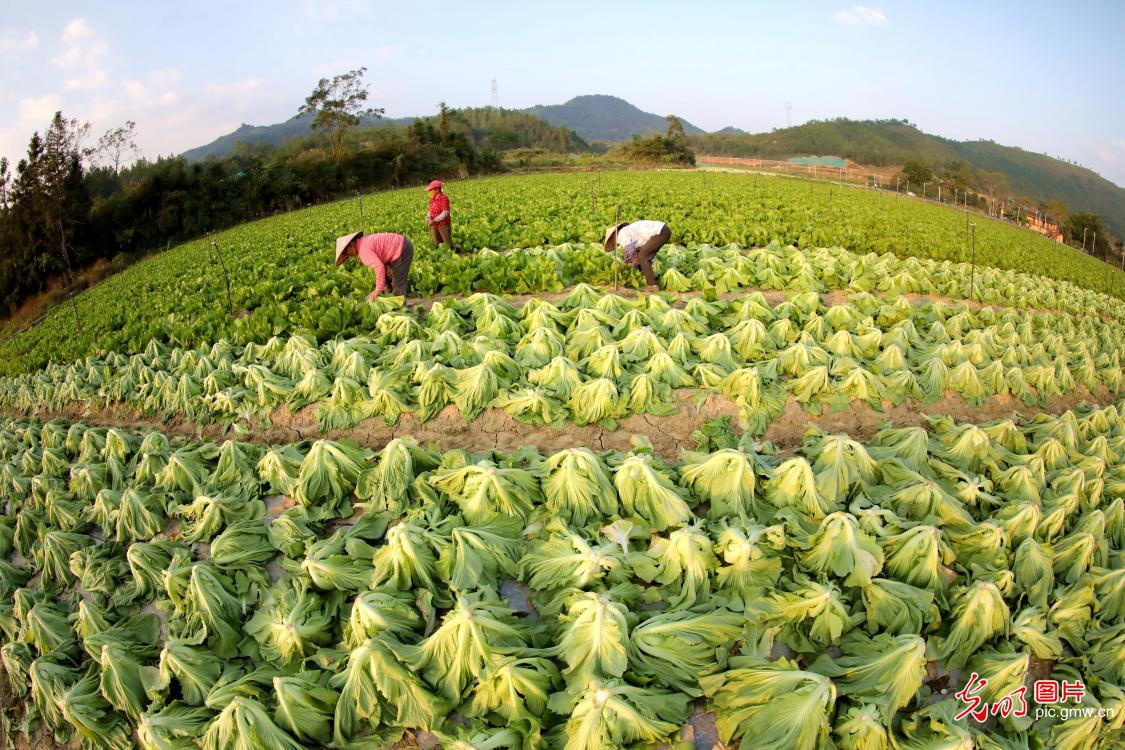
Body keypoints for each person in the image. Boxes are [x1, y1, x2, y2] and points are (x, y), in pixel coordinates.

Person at [334, 231, 414, 300]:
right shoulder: (362, 242)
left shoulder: (363, 250)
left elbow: (379, 267)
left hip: (402, 250)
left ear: (350, 245)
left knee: (398, 286)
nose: (348, 255)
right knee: (388, 279)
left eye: (346, 252)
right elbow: (381, 265)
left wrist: (377, 289)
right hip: (399, 246)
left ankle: (401, 311)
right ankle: (389, 301)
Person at [603, 220, 672, 291]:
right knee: (642, 256)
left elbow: (629, 251)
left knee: (642, 256)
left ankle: (653, 285)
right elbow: (637, 248)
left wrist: (626, 264)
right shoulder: (628, 231)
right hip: (664, 231)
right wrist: (634, 259)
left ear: (613, 238)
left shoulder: (621, 235)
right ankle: (647, 278)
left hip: (659, 232)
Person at [425, 180, 457, 252]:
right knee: (436, 241)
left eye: (431, 190)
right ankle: (441, 254)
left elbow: (445, 212)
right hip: (434, 224)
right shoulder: (432, 200)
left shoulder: (443, 198)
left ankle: (454, 254)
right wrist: (428, 218)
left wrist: (435, 220)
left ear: (437, 190)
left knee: (447, 242)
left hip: (443, 224)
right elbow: (430, 210)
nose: (429, 192)